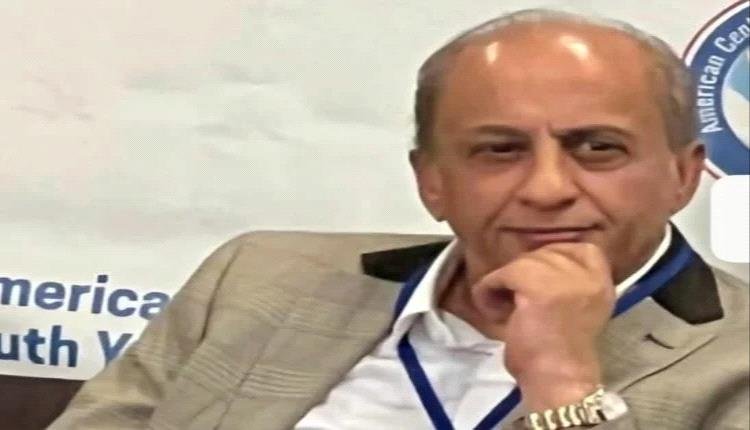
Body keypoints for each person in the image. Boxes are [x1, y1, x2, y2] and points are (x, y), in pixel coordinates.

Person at [50, 8, 748, 430]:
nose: (546, 188)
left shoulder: (734, 362)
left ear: (682, 174)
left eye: (597, 149)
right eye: (498, 150)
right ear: (432, 181)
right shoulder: (258, 276)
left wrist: (562, 381)